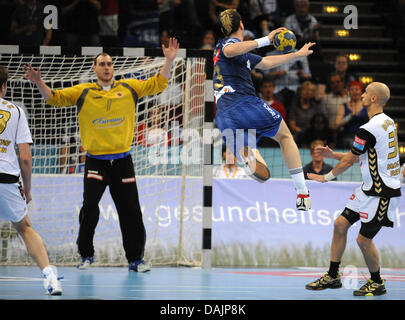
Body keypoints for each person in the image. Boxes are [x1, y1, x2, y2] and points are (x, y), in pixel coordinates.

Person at [23, 38, 180, 272]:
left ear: (113, 68)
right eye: (102, 64)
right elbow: (54, 98)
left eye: (109, 63)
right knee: (90, 209)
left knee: (131, 212)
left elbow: (158, 84)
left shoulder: (129, 87)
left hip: (123, 161)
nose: (106, 67)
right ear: (94, 69)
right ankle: (86, 255)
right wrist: (39, 82)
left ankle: (136, 259)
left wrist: (169, 61)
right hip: (96, 161)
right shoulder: (84, 91)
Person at [306, 82, 401, 296]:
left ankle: (377, 282)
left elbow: (350, 161)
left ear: (374, 98)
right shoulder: (387, 122)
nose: (362, 94)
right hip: (369, 189)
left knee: (363, 240)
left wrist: (326, 177)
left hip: (381, 192)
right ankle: (332, 276)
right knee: (340, 224)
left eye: (366, 92)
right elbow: (363, 154)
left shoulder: (368, 128)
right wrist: (335, 156)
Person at [213, 9, 314, 210]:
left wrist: (297, 54)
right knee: (285, 137)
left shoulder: (237, 55)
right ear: (241, 26)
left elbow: (266, 63)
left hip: (223, 116)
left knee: (252, 155)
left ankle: (250, 158)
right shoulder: (227, 45)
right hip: (244, 103)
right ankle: (302, 192)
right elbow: (230, 50)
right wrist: (267, 39)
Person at [0, 66, 62, 295]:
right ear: (4, 87)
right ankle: (51, 278)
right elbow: (25, 157)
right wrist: (27, 189)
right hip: (6, 178)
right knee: (25, 228)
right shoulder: (15, 111)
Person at [334, 80, 368, 148]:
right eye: (352, 89)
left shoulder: (367, 105)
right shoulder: (343, 106)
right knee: (351, 142)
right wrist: (350, 116)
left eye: (357, 89)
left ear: (361, 91)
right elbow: (337, 124)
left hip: (364, 137)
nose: (354, 92)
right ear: (348, 92)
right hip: (347, 137)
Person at [287, 80, 318, 146]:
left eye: (310, 90)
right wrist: (302, 133)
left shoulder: (315, 107)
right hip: (298, 133)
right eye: (305, 90)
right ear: (301, 91)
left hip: (312, 133)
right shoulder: (294, 106)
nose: (308, 92)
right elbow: (292, 126)